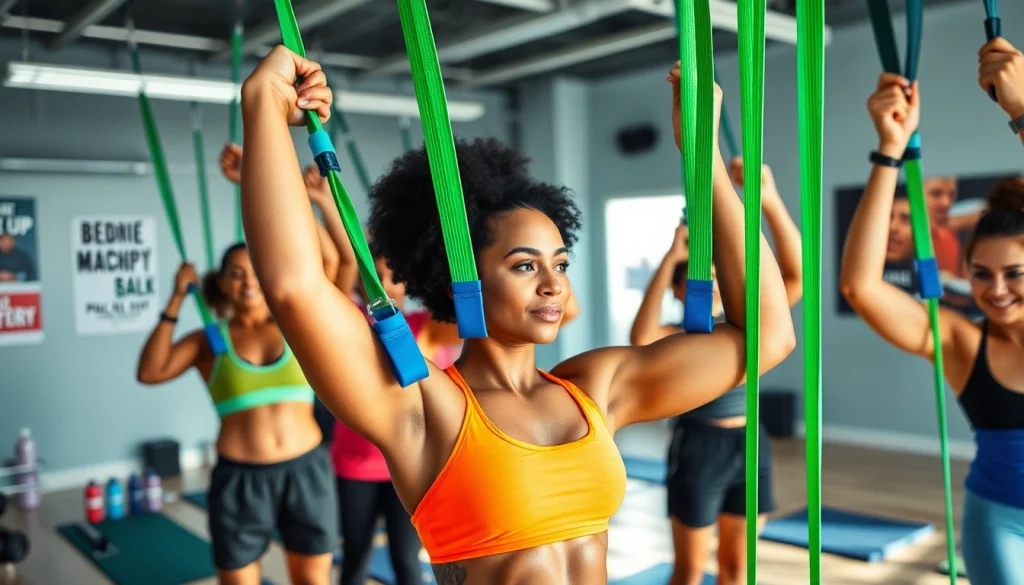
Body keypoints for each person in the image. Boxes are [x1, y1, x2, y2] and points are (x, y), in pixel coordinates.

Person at [237, 46, 795, 585]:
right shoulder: (420, 406)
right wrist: (263, 102)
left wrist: (703, 161)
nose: (555, 283)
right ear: (463, 280)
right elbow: (295, 287)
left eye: (560, 262)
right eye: (525, 266)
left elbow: (768, 335)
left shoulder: (596, 388)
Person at [839, 36, 1024, 585]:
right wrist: (889, 150)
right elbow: (860, 287)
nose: (996, 291)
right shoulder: (961, 341)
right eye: (981, 274)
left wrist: (1019, 110)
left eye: (1016, 274)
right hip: (1000, 525)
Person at [135, 148, 342, 585]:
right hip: (239, 479)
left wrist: (298, 195)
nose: (247, 281)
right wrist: (176, 297)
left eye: (254, 271)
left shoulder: (296, 324)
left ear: (268, 275)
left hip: (306, 470)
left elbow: (328, 263)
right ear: (221, 282)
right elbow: (150, 372)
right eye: (234, 272)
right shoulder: (210, 341)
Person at [630, 160, 803, 585]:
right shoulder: (674, 334)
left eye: (713, 277)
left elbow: (797, 275)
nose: (707, 286)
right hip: (698, 447)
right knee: (689, 571)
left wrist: (769, 200)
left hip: (750, 442)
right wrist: (674, 254)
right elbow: (640, 336)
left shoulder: (744, 330)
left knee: (737, 569)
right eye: (693, 280)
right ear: (676, 288)